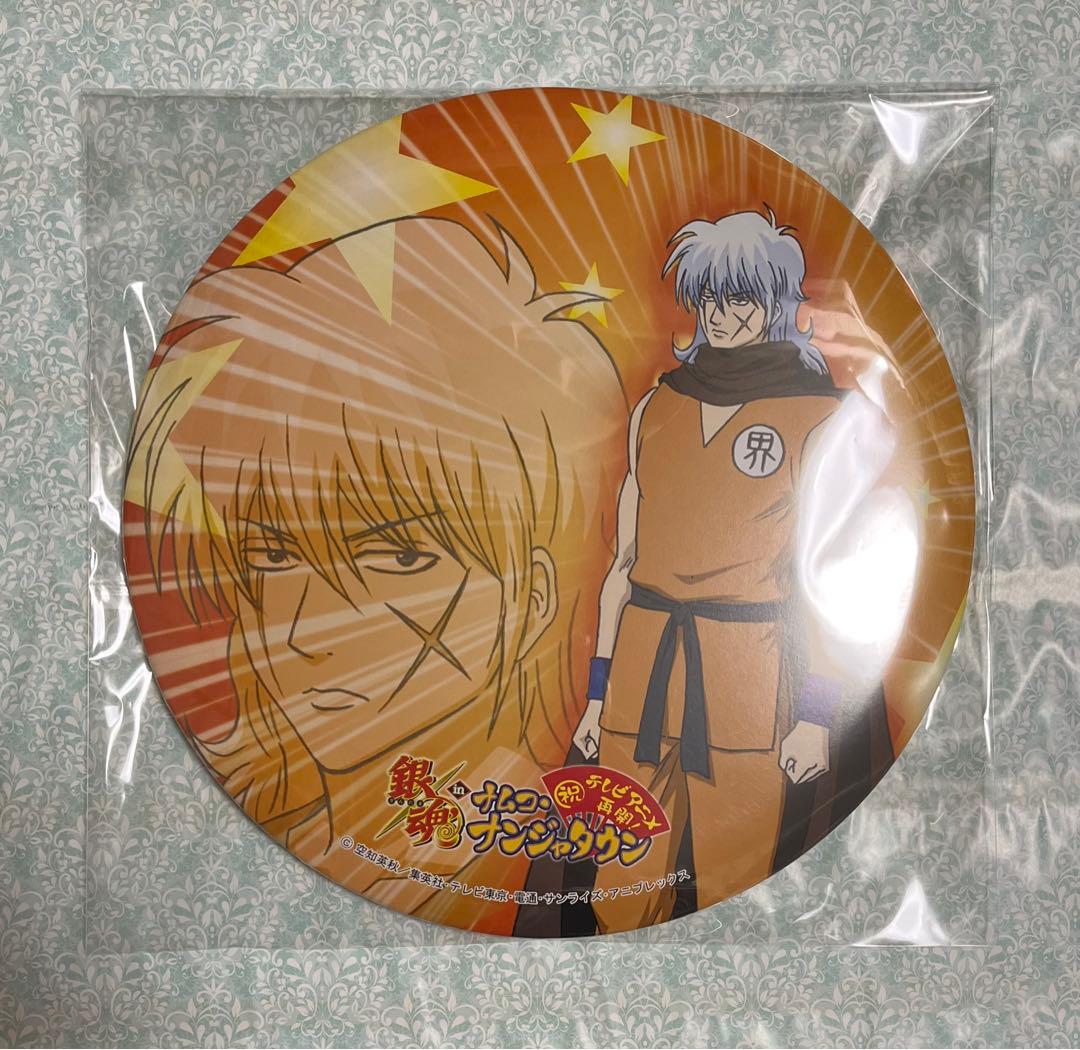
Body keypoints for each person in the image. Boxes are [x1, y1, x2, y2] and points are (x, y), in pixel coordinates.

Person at [124, 215, 626, 935]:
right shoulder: (225, 844)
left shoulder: (561, 876)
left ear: (533, 598)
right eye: (274, 554)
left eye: (400, 557)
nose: (304, 632)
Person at [572, 207, 911, 933]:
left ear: (776, 302)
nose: (722, 315)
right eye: (710, 297)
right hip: (640, 673)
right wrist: (598, 697)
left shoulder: (824, 417)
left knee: (737, 888)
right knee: (618, 886)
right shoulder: (656, 407)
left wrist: (816, 715)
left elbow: (833, 585)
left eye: (742, 297)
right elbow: (623, 564)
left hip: (749, 679)